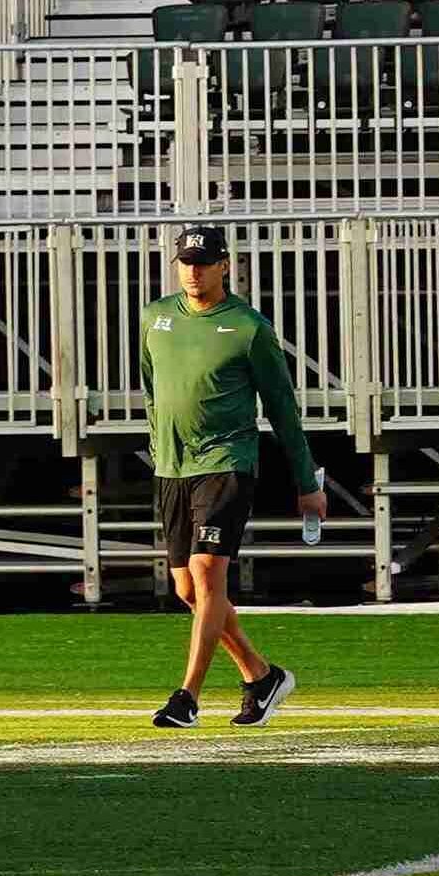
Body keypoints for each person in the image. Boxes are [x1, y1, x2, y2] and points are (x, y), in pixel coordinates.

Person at [144, 226, 316, 730]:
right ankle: (261, 676)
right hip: (172, 466)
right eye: (186, 262)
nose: (193, 271)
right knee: (187, 590)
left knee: (206, 572)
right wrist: (160, 447)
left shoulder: (248, 327)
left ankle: (187, 696)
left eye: (204, 262)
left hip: (227, 460)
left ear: (225, 266)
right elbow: (151, 387)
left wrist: (307, 482)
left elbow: (283, 408)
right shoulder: (155, 319)